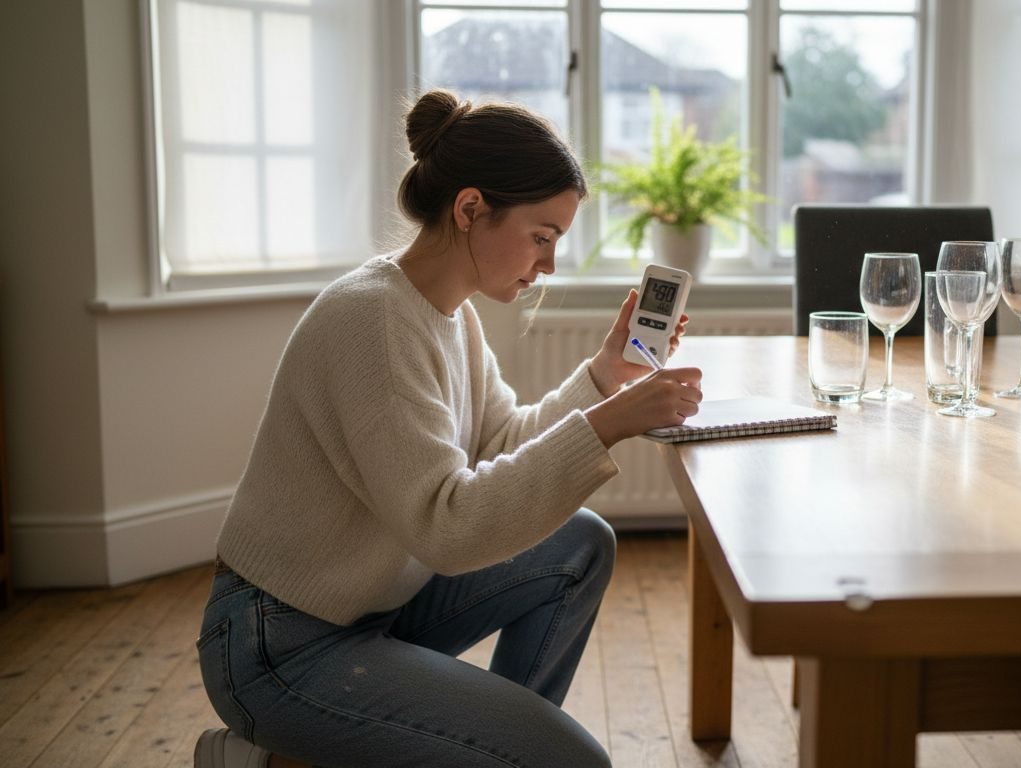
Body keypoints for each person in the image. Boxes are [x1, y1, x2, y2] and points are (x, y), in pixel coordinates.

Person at [193, 89, 703, 768]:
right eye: (542, 237)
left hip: (375, 607)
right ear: (469, 209)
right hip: (279, 644)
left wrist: (605, 376)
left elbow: (504, 444)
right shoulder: (371, 320)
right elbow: (450, 528)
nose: (548, 264)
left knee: (580, 544)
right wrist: (606, 426)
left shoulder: (449, 315)